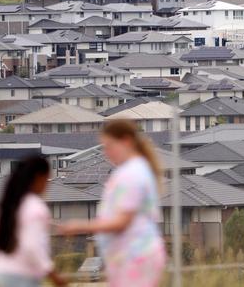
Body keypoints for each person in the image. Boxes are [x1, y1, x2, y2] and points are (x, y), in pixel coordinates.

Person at [59, 119, 166, 287]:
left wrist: (80, 226)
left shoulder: (132, 173)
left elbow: (123, 221)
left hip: (134, 256)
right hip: (131, 257)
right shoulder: (134, 169)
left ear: (126, 141)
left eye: (109, 146)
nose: (106, 153)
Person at [0, 156, 66, 287]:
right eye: (47, 179)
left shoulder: (10, 204)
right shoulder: (35, 207)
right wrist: (54, 276)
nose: (47, 185)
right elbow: (32, 247)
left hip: (0, 273)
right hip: (22, 277)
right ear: (39, 177)